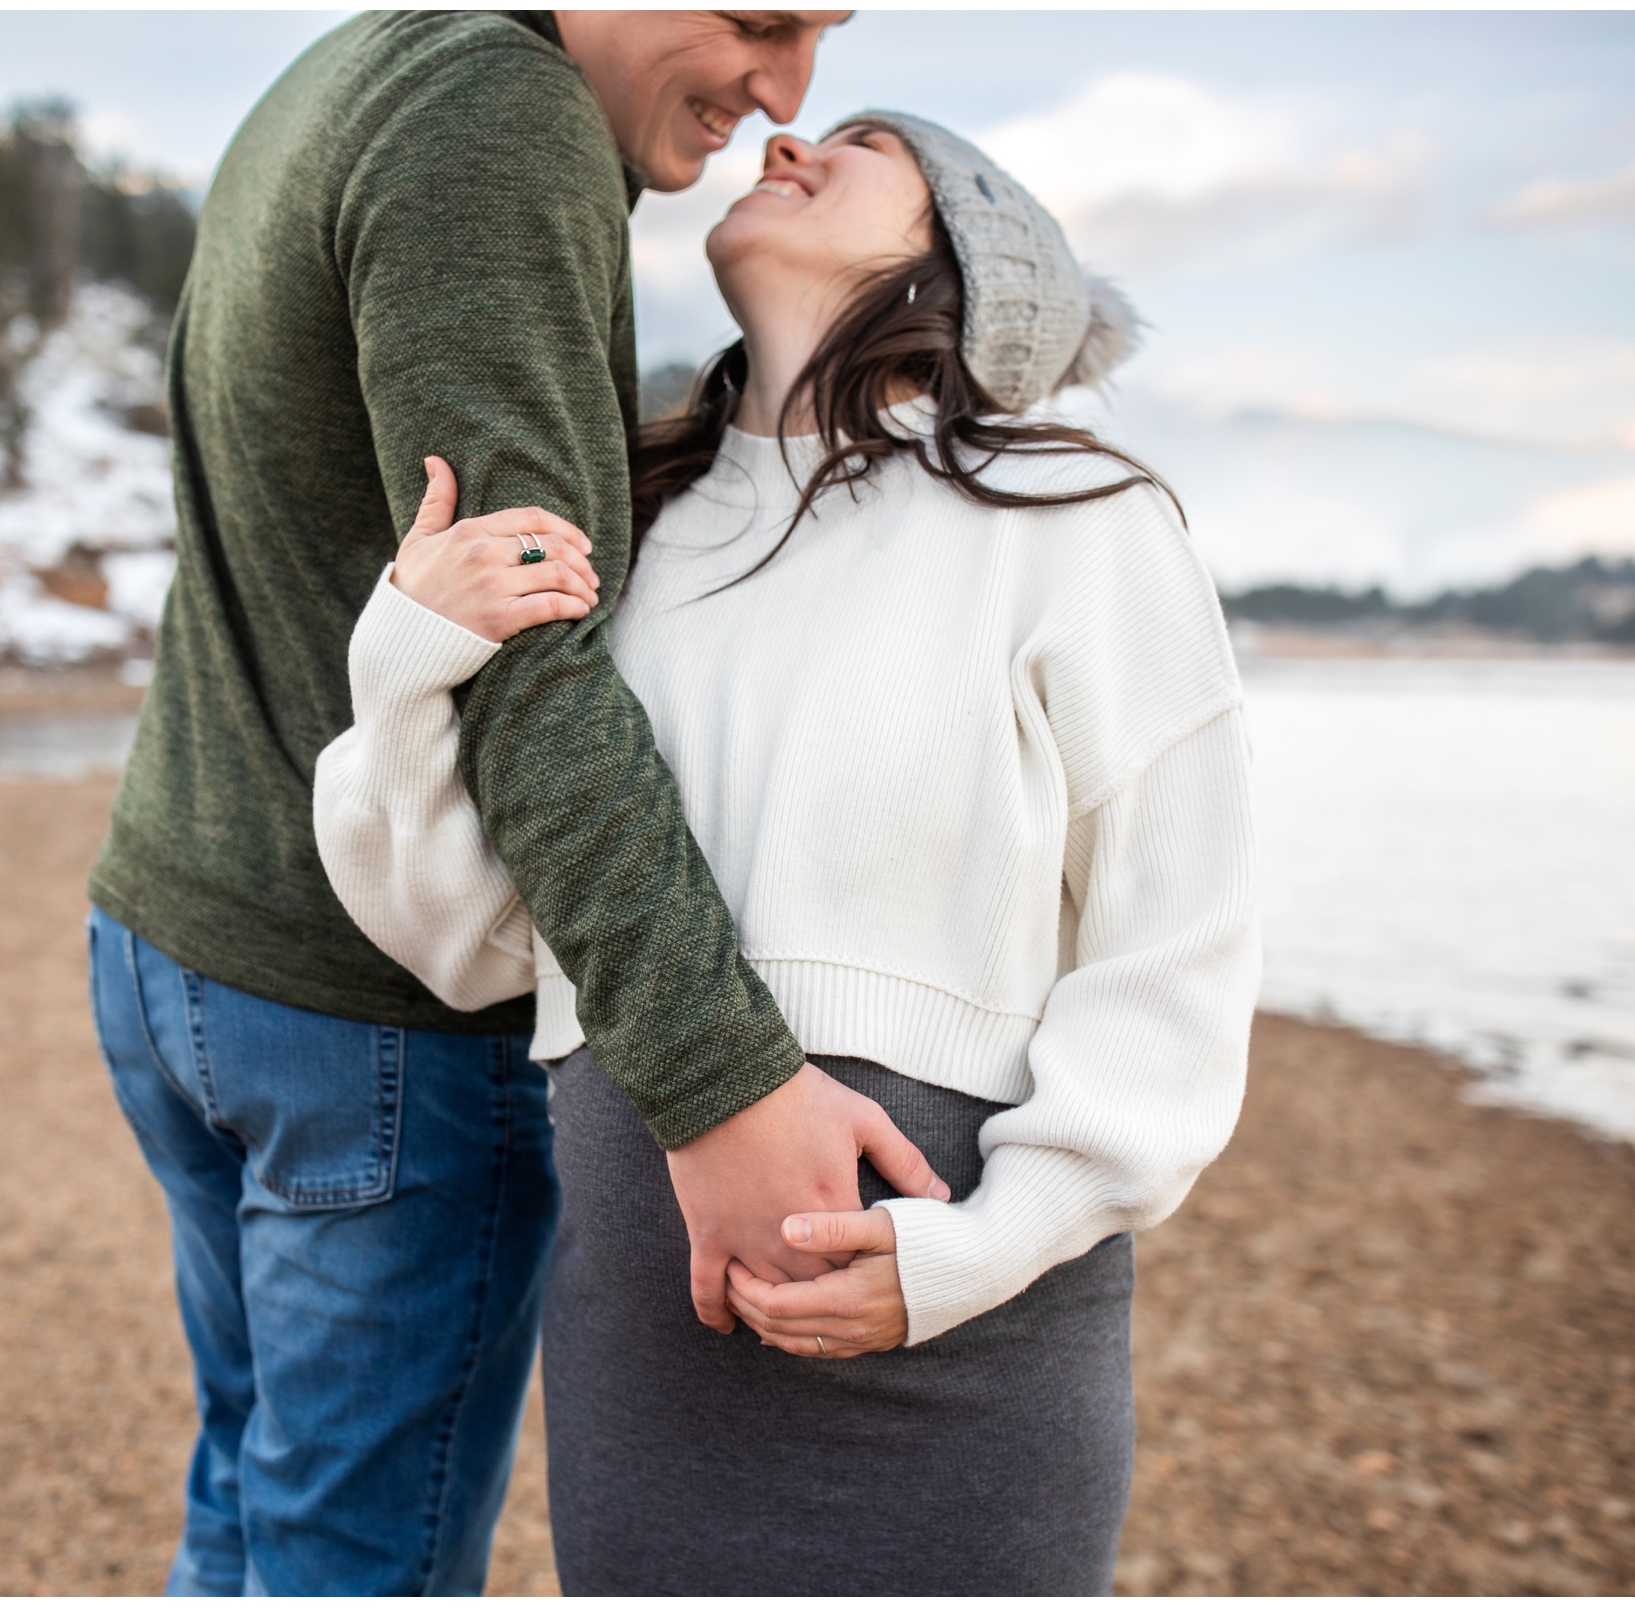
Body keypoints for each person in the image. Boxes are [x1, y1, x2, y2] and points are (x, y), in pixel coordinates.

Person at [314, 113, 1262, 1593]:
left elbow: (1175, 951)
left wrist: (987, 1248)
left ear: (967, 250)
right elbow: (469, 938)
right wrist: (405, 661)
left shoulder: (1078, 519)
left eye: (872, 141)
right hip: (649, 1336)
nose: (791, 134)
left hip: (963, 1311)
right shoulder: (629, 527)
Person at [81, 11, 917, 1597]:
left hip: (174, 936)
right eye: (759, 17)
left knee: (252, 1506)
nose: (785, 91)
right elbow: (531, 653)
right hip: (361, 1025)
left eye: (822, 28)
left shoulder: (371, 59)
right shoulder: (498, 123)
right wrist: (721, 1081)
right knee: (349, 1563)